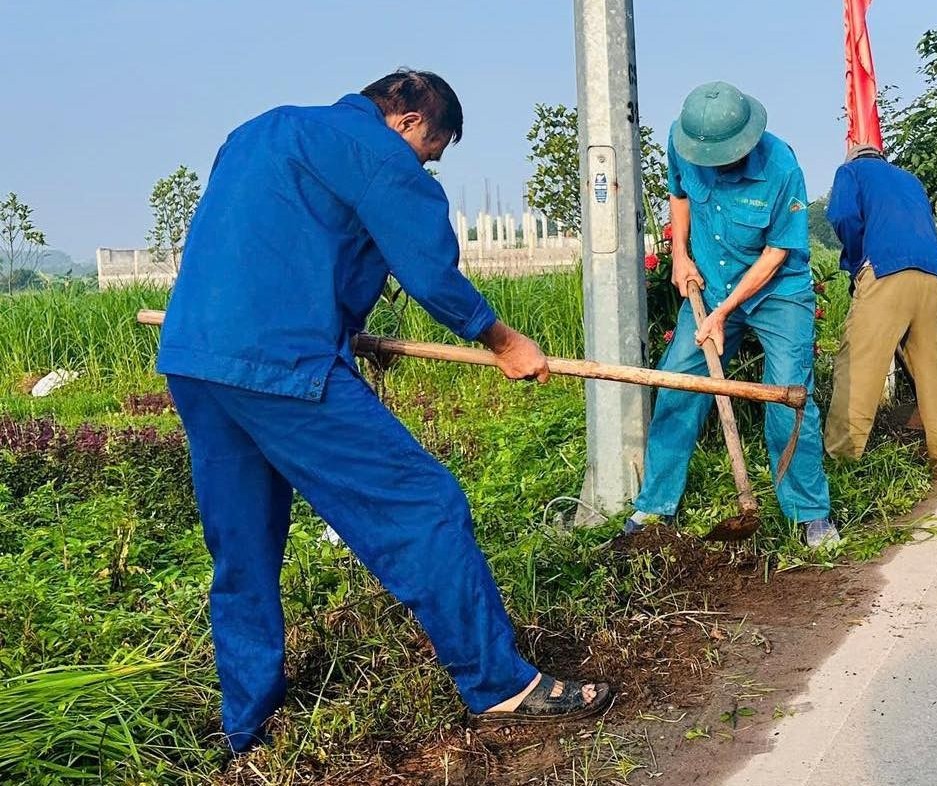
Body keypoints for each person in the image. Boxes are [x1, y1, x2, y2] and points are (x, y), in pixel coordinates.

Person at [156, 71, 612, 755]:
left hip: (195, 358)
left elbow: (279, 247)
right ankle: (499, 685)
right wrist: (504, 340)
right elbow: (430, 273)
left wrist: (344, 330)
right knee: (422, 504)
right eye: (434, 148)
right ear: (406, 119)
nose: (428, 163)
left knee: (243, 546)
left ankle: (244, 726)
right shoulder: (380, 154)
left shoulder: (261, 131)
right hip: (280, 365)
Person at [625, 81, 838, 547]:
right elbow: (679, 196)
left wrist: (723, 312)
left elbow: (777, 253)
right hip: (710, 284)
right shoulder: (683, 143)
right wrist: (679, 255)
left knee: (787, 394)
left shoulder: (781, 167)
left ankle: (809, 512)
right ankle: (655, 505)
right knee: (679, 381)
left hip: (776, 290)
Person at [823, 144, 937, 481]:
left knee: (859, 362)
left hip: (886, 270)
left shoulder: (851, 172)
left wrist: (857, 261)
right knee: (931, 368)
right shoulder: (909, 180)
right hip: (932, 275)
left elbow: (843, 216)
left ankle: (842, 462)